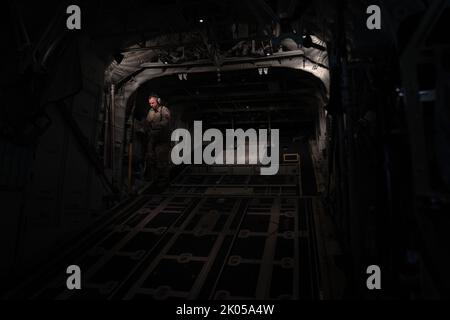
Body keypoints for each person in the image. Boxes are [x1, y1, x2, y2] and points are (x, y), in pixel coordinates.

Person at [144, 93, 171, 187]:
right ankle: (154, 179)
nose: (151, 105)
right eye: (150, 103)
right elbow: (147, 122)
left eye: (153, 103)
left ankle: (164, 181)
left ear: (158, 101)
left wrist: (155, 126)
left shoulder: (164, 110)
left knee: (162, 160)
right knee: (151, 158)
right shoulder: (150, 111)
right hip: (153, 139)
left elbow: (166, 122)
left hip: (162, 140)